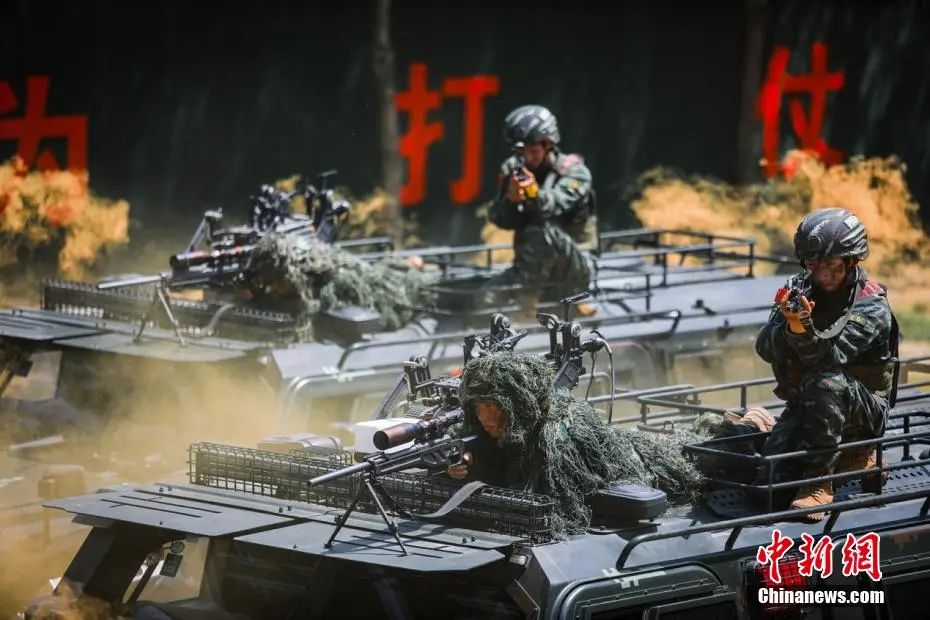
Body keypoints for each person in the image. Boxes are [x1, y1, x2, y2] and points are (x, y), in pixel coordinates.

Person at [446, 350, 704, 534]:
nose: (485, 418)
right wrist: (467, 462)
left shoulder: (558, 437)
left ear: (519, 407)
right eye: (479, 408)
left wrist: (479, 473)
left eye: (493, 407)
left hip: (639, 464)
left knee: (697, 450)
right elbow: (495, 453)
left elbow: (544, 505)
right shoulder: (499, 425)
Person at [756, 207, 896, 521]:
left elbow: (827, 359)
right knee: (770, 486)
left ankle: (821, 480)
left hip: (862, 411)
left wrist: (799, 330)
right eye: (813, 264)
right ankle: (855, 459)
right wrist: (789, 326)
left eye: (832, 265)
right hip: (810, 405)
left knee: (825, 379)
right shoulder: (799, 290)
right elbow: (764, 347)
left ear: (852, 261)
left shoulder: (871, 306)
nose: (822, 275)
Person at [485, 105, 594, 312]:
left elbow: (554, 206)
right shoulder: (513, 169)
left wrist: (533, 194)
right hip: (529, 269)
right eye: (520, 151)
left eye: (533, 150)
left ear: (548, 145)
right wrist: (511, 201)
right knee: (485, 298)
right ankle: (526, 294)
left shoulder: (575, 173)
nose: (527, 157)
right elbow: (500, 219)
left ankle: (528, 303)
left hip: (573, 269)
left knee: (542, 230)